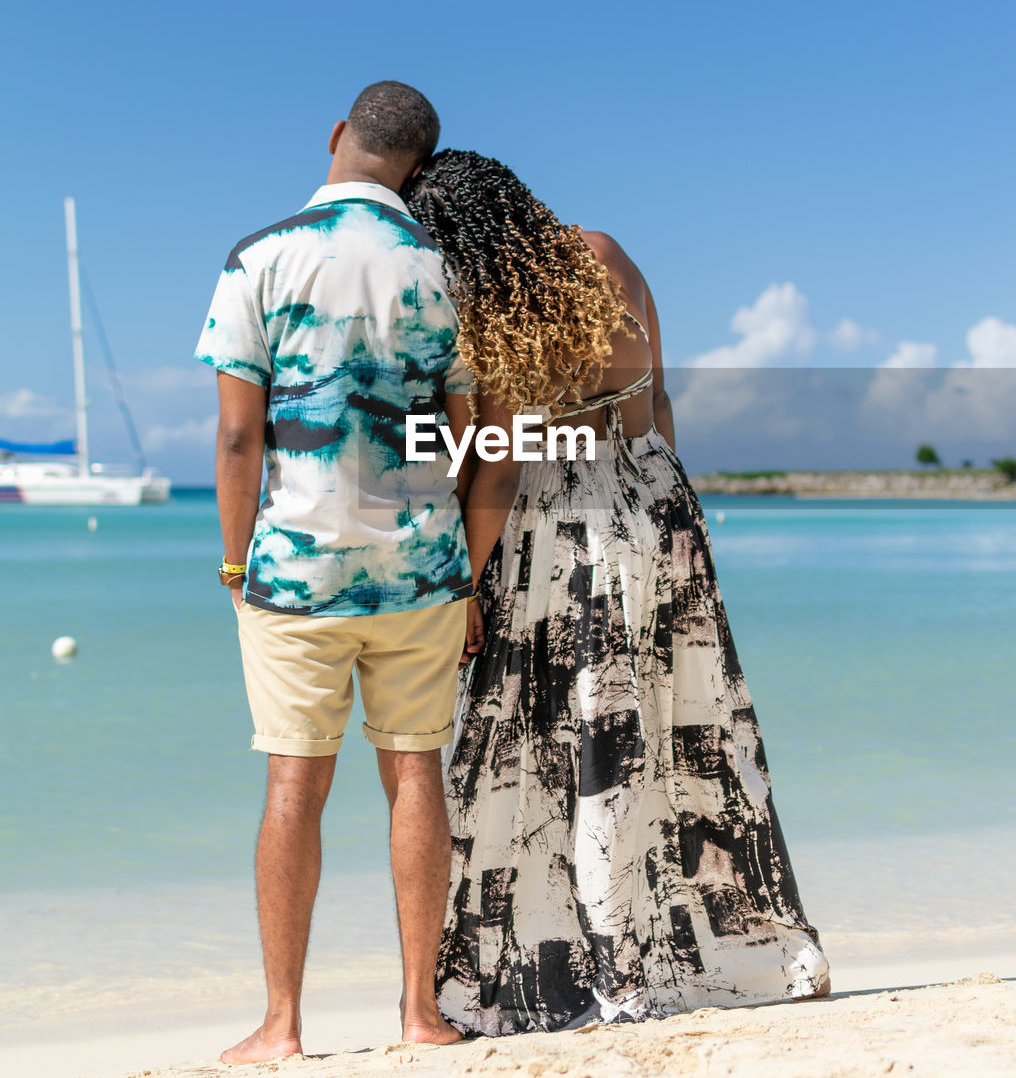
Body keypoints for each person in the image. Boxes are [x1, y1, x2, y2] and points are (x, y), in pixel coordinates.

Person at [403, 150, 830, 1035]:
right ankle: (744, 948)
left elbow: (495, 469)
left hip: (570, 519)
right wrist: (680, 524)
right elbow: (661, 401)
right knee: (685, 733)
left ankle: (597, 959)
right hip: (659, 500)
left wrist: (465, 589)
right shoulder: (610, 253)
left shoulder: (496, 310)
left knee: (570, 732)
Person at [194, 82, 474, 1063]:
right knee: (414, 774)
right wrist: (466, 571)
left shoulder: (259, 255)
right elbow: (475, 437)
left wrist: (237, 559)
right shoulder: (448, 269)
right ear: (419, 167)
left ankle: (281, 1025)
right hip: (422, 570)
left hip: (298, 572)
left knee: (293, 785)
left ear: (335, 138)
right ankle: (418, 1015)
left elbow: (237, 434)